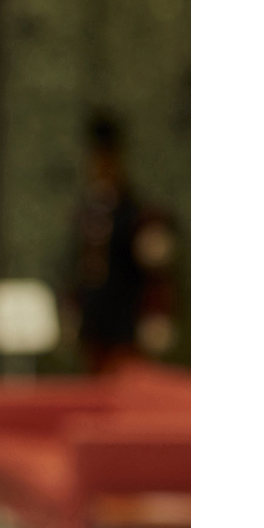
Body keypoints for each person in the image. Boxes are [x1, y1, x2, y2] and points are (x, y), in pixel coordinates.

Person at [72, 112, 178, 374]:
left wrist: (156, 312)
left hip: (125, 320)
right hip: (95, 319)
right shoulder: (86, 211)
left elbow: (155, 274)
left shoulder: (136, 214)